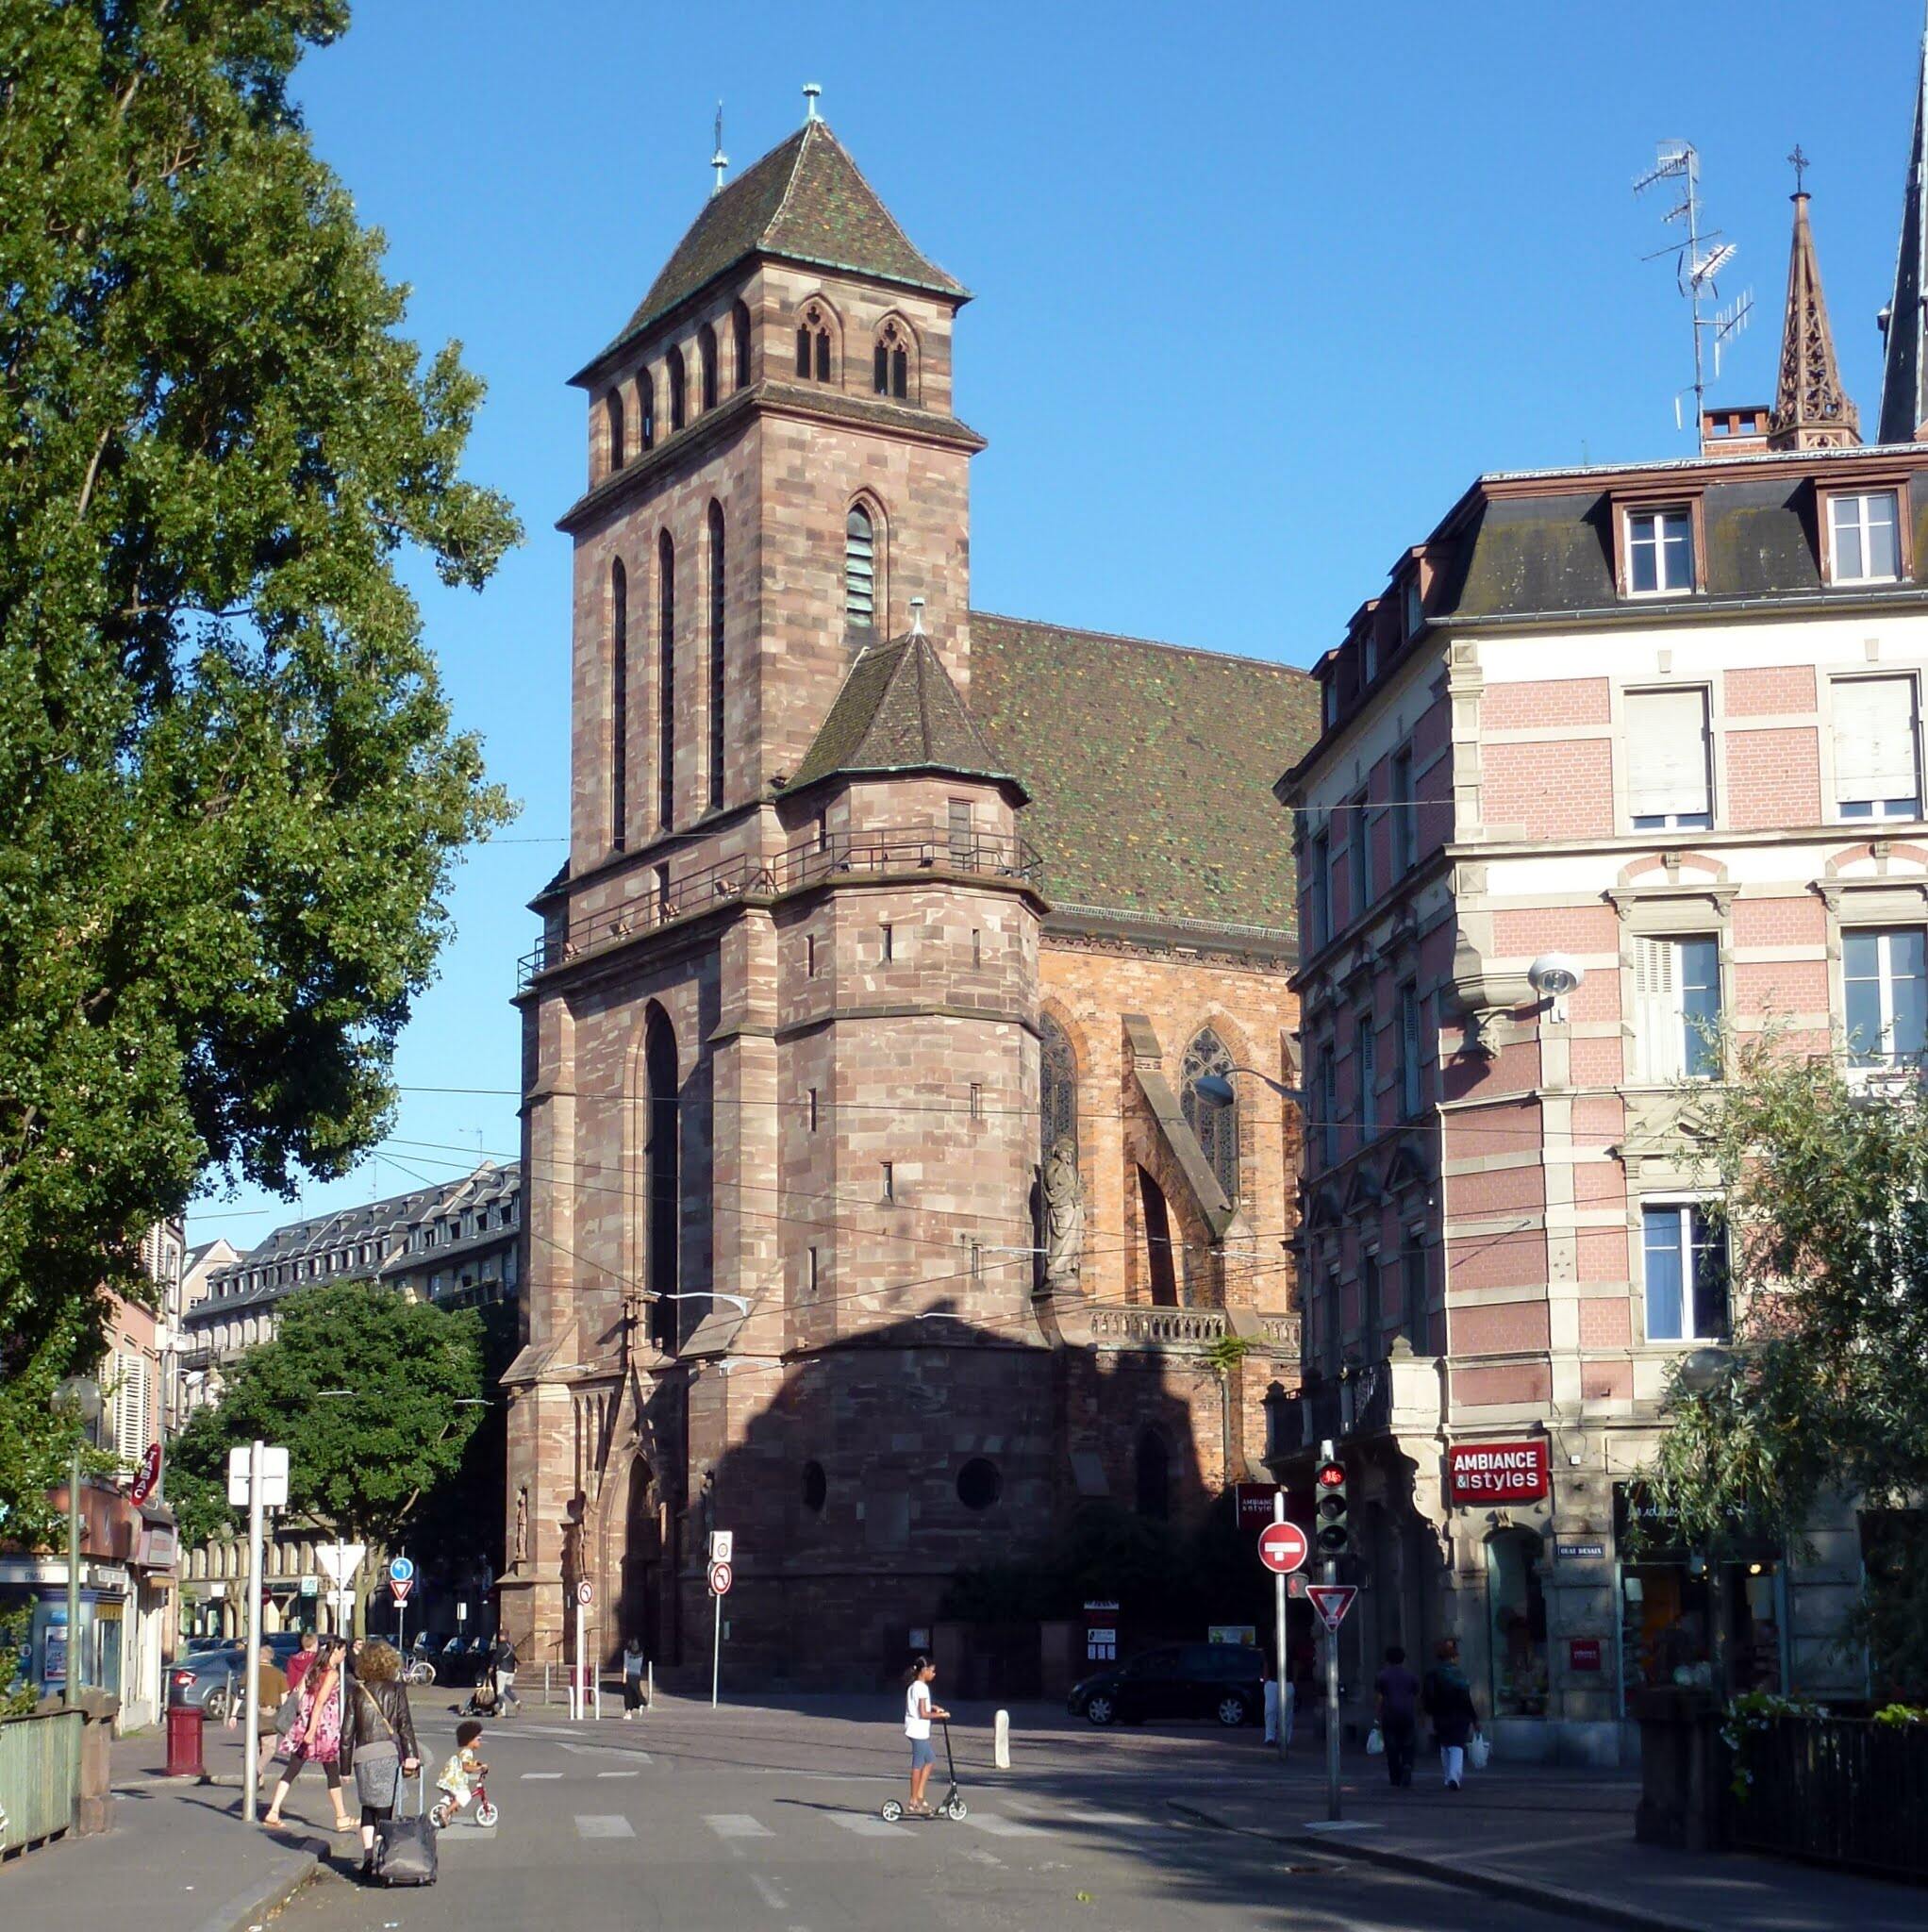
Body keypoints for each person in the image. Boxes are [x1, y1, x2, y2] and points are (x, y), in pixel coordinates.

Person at [342, 1640, 421, 1880]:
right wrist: (411, 1756)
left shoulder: (356, 1691)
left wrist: (344, 1767)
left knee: (368, 1806)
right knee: (386, 1808)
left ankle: (368, 1856)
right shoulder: (396, 1690)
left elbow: (347, 1733)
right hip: (388, 1754)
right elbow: (404, 1725)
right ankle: (384, 1855)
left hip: (363, 1755)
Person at [263, 1637, 355, 1833]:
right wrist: (313, 1729)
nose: (345, 1655)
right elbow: (320, 1702)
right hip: (322, 1728)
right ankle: (341, 1817)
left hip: (304, 1723)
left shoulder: (313, 1668)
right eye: (343, 1651)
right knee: (331, 1768)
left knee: (293, 1767)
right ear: (335, 1651)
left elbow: (301, 1693)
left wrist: (304, 1721)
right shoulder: (331, 1674)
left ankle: (273, 1810)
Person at [1421, 1638, 1480, 1790]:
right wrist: (1474, 1718)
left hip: (1440, 1714)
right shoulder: (1459, 1675)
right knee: (1457, 1746)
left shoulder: (1432, 1675)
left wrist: (1427, 1712)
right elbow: (1467, 1699)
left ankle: (1448, 1777)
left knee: (1445, 1744)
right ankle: (1454, 1776)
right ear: (1453, 1657)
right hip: (1460, 1715)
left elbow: (1427, 1697)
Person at [903, 1656, 950, 1817]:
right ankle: (913, 1801)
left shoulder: (915, 1686)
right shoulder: (921, 1687)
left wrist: (934, 1707)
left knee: (929, 1760)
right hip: (917, 1731)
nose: (934, 1674)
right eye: (932, 1671)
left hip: (917, 1729)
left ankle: (920, 1796)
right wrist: (941, 1715)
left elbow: (920, 1707)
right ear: (924, 1671)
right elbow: (922, 1713)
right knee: (918, 1764)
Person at [1374, 1644, 1421, 1789]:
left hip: (1390, 1714)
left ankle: (1395, 1776)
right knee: (1408, 1743)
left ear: (1387, 1659)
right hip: (1407, 1713)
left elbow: (1380, 1697)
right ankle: (1407, 1765)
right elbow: (1416, 1694)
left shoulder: (1382, 1676)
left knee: (1391, 1746)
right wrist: (1419, 1713)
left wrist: (1378, 1715)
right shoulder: (1411, 1676)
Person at [432, 1719, 490, 1829]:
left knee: (454, 1798)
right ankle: (445, 1812)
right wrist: (479, 1768)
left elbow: (466, 1762)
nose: (480, 1742)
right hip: (454, 1781)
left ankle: (445, 1809)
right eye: (478, 1739)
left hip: (449, 1779)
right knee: (465, 1795)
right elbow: (466, 1767)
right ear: (470, 1740)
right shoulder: (467, 1752)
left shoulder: (464, 1751)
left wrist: (477, 1763)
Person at [490, 1633, 521, 1714]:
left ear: (503, 1637)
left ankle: (502, 1711)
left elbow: (496, 1658)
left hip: (502, 1671)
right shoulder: (512, 1646)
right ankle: (516, 1701)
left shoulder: (501, 1647)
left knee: (500, 1692)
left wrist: (491, 1666)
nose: (499, 1637)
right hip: (511, 1672)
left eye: (500, 1636)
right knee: (507, 1689)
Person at [622, 1635, 646, 1719]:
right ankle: (640, 1703)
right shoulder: (641, 1653)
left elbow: (626, 1664)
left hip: (629, 1674)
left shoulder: (627, 1652)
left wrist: (624, 1676)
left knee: (628, 1694)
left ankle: (628, 1712)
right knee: (636, 1691)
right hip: (637, 1675)